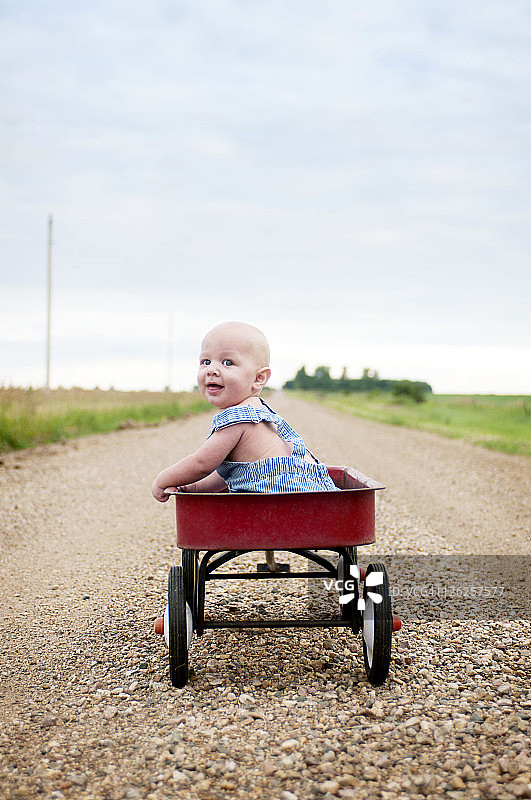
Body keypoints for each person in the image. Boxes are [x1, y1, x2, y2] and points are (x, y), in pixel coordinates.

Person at [151, 321, 338, 501]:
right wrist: (190, 487)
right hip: (316, 497)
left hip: (283, 502)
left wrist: (163, 480)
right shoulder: (262, 412)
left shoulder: (236, 419)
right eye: (206, 361)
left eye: (228, 362)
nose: (212, 370)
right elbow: (226, 473)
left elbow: (202, 464)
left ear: (259, 378)